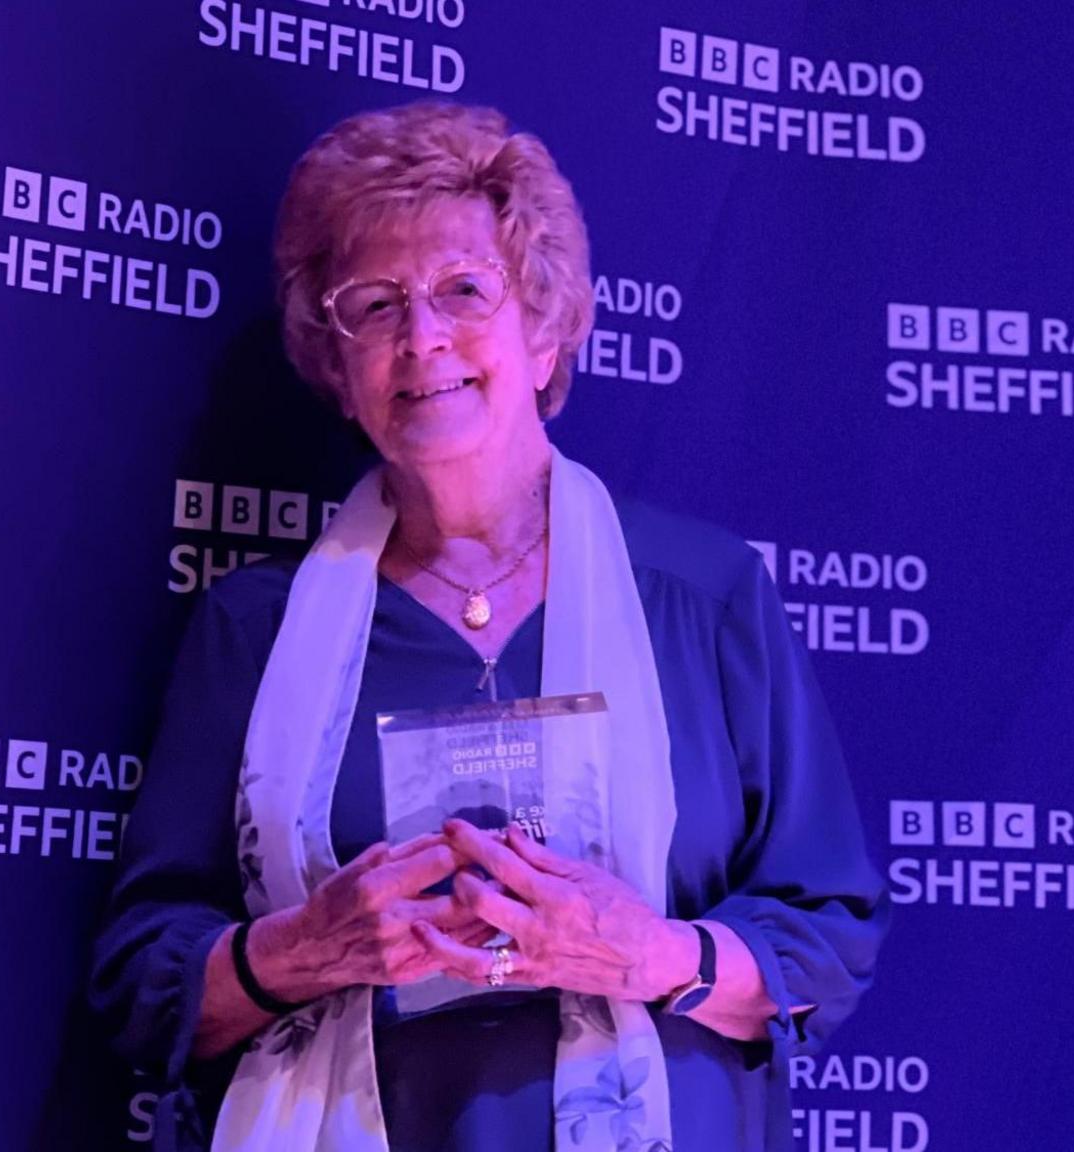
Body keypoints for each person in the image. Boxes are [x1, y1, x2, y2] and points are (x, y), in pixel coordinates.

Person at [91, 100, 887, 1152]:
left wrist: (648, 957)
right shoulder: (255, 629)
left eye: (463, 290)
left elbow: (824, 939)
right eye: (373, 306)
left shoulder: (705, 594)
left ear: (546, 321)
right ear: (335, 362)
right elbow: (143, 974)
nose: (422, 341)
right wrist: (304, 948)